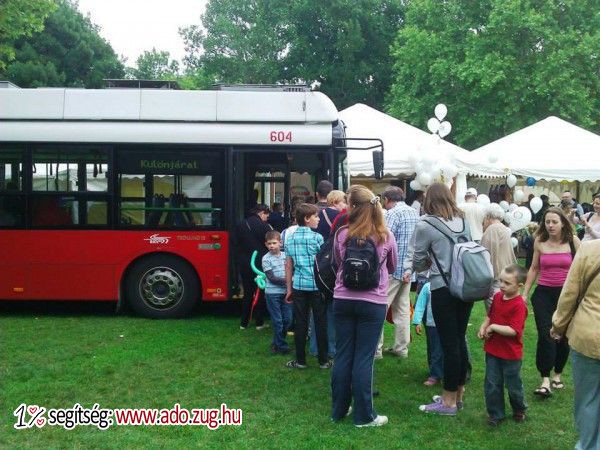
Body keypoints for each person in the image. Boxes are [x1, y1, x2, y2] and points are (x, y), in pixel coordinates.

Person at [330, 185, 397, 427]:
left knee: (343, 354)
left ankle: (338, 410)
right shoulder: (384, 235)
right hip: (373, 301)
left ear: (352, 207)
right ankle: (364, 416)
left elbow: (339, 263)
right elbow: (392, 266)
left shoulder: (342, 234)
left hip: (343, 299)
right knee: (364, 358)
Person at [413, 182, 472, 416]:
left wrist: (430, 262)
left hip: (442, 287)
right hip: (466, 285)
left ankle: (447, 402)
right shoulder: (463, 219)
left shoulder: (425, 224)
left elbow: (418, 261)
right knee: (459, 339)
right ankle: (458, 394)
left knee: (449, 344)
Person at [523, 207, 581, 397]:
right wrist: (524, 293)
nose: (550, 225)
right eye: (547, 222)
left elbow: (582, 268)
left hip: (566, 296)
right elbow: (533, 268)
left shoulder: (573, 241)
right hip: (543, 295)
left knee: (562, 336)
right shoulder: (539, 241)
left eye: (554, 222)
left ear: (563, 222)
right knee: (545, 334)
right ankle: (545, 379)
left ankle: (557, 374)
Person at [551, 240, 600, 450]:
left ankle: (588, 446)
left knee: (588, 400)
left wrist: (558, 325)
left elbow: (569, 293)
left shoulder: (590, 248)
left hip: (589, 333)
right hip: (590, 334)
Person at [478, 264, 528, 426]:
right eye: (500, 281)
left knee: (513, 386)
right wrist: (484, 326)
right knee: (492, 384)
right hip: (493, 350)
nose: (502, 285)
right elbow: (490, 315)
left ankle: (519, 408)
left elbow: (514, 330)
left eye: (507, 283)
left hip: (511, 354)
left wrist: (493, 327)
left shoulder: (519, 305)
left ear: (519, 286)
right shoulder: (498, 297)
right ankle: (496, 414)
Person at [284, 203, 329, 369]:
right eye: (316, 216)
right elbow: (322, 264)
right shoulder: (317, 238)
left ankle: (301, 361)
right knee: (320, 323)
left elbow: (288, 266)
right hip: (317, 287)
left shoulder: (290, 238)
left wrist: (289, 289)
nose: (318, 219)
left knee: (301, 323)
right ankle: (323, 360)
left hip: (299, 286)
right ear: (307, 218)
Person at [376, 186, 418, 358]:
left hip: (392, 269)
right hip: (409, 269)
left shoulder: (392, 214)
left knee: (379, 307)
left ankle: (376, 350)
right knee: (402, 309)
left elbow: (384, 239)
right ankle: (401, 348)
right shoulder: (415, 212)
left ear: (387, 200)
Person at [309, 189, 347, 358]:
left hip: (320, 263)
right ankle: (331, 348)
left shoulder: (320, 214)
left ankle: (315, 347)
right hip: (331, 266)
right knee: (331, 312)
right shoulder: (342, 217)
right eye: (343, 201)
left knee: (317, 311)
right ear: (336, 201)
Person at [237, 204, 273, 330]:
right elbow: (271, 242)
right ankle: (259, 322)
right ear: (261, 213)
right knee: (260, 291)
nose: (267, 217)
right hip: (259, 263)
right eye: (267, 215)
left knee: (248, 292)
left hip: (244, 262)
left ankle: (244, 323)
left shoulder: (241, 224)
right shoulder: (265, 226)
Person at [480, 204, 517, 311]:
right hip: (506, 274)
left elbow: (487, 254)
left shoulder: (492, 229)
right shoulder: (504, 228)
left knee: (495, 315)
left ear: (488, 217)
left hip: (496, 278)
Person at [262, 230, 292, 355]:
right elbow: (271, 278)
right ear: (266, 244)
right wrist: (289, 281)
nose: (272, 246)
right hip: (272, 294)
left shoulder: (287, 256)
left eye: (274, 243)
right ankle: (282, 346)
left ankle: (276, 343)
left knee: (287, 320)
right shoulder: (266, 259)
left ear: (280, 243)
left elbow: (292, 269)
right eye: (269, 244)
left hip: (286, 292)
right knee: (278, 321)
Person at [412, 281, 443, 386]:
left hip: (448, 323)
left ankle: (438, 373)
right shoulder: (428, 286)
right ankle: (435, 373)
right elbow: (420, 305)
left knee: (442, 350)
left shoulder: (452, 284)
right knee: (434, 349)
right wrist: (417, 322)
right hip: (432, 324)